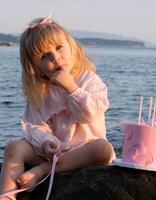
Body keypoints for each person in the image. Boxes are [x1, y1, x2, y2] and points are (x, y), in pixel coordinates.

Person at [0, 15, 116, 200]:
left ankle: (43, 171)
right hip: (53, 154)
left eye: (59, 48)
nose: (55, 58)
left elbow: (90, 114)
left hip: (83, 154)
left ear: (71, 45)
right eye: (45, 56)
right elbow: (34, 124)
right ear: (35, 67)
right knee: (14, 147)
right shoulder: (41, 91)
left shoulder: (88, 80)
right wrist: (45, 141)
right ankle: (7, 195)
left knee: (104, 149)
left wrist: (71, 88)